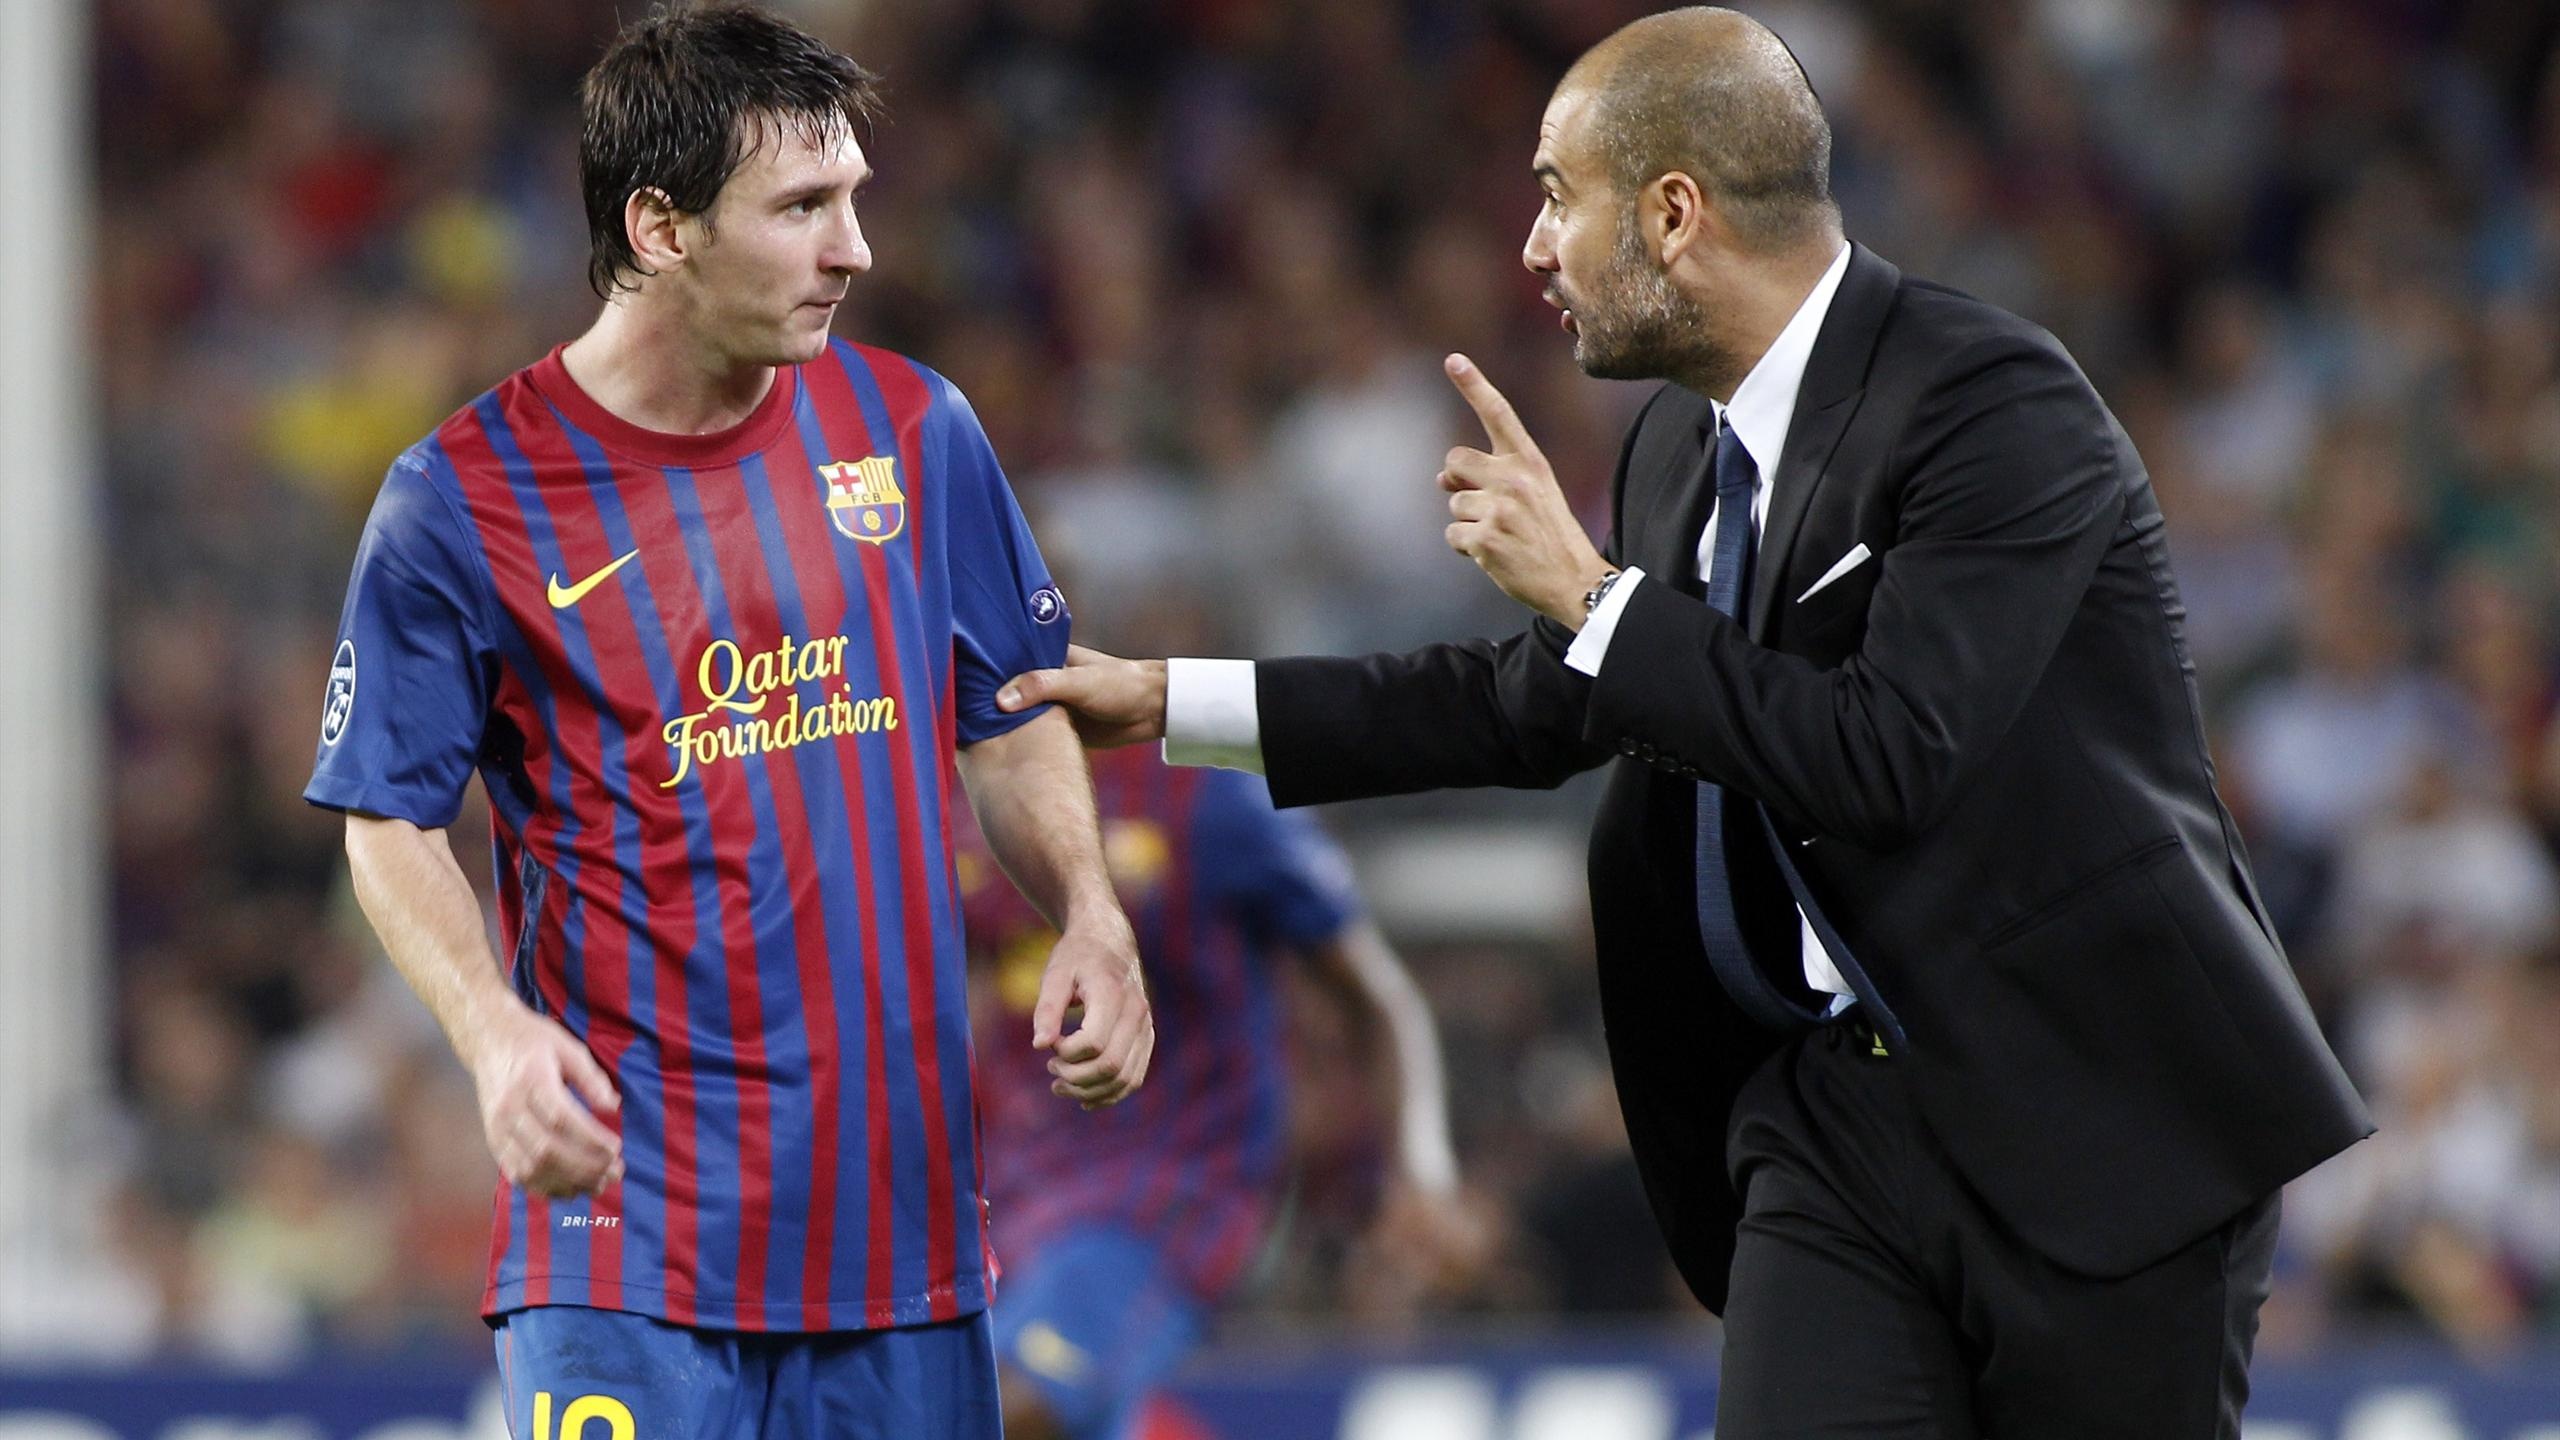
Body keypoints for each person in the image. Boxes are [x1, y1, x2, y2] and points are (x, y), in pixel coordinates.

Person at [999, 8, 2374, 1436]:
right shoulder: (1676, 442)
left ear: (1672, 213)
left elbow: (1885, 755)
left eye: (1557, 197)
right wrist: (1170, 700)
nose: (1532, 247)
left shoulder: (1992, 404)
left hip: (2095, 1118)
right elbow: (1530, 704)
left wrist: (1592, 596)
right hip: (1834, 1125)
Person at [302, 8, 1150, 1436]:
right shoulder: (462, 499)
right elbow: (387, 817)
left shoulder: (915, 430)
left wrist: (1089, 912)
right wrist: (494, 1035)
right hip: (621, 1242)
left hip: (896, 1245)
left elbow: (1008, 720)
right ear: (661, 227)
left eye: (854, 199)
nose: (854, 249)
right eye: (803, 207)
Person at [956, 746, 1463, 1440]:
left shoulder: (1212, 796)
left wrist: (1421, 1173)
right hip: (1011, 1198)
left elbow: (1378, 998)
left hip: (1169, 1194)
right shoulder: (968, 788)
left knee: (1005, 1410)